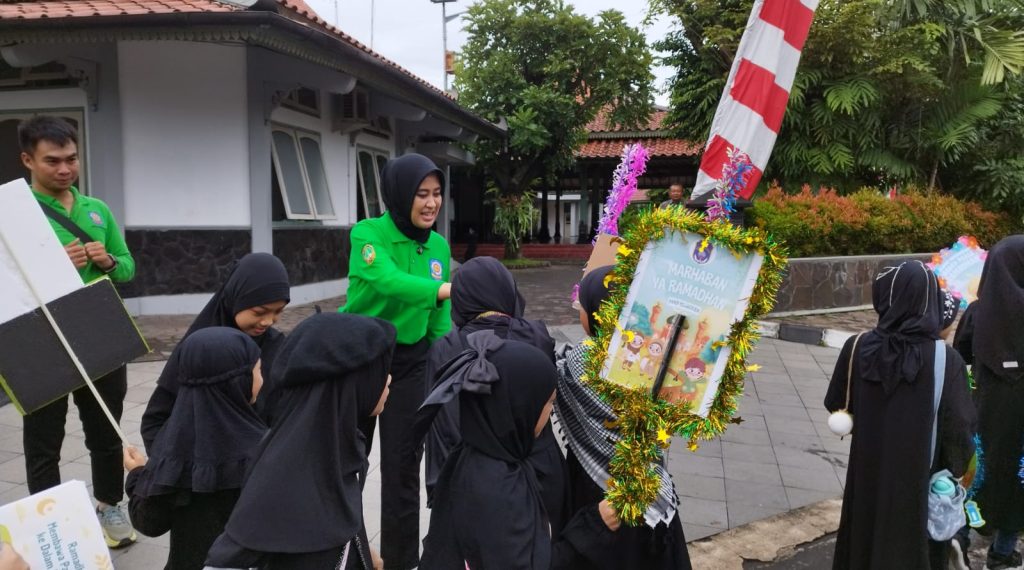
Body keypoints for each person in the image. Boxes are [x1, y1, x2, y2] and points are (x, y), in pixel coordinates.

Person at [18, 115, 138, 548]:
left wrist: (108, 261)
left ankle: (109, 505)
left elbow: (128, 267)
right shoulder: (12, 213)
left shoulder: (97, 209)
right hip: (39, 334)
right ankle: (50, 522)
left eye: (71, 159)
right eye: (53, 161)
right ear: (28, 160)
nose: (65, 169)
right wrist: (50, 265)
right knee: (43, 439)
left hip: (99, 328)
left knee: (106, 428)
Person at [204, 313, 394, 570]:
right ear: (352, 385)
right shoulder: (286, 474)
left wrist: (361, 556)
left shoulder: (340, 445)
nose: (389, 379)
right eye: (381, 371)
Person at [419, 334, 622, 569]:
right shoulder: (499, 488)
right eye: (548, 402)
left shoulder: (474, 452)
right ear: (519, 408)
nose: (550, 411)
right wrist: (595, 525)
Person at [340, 153, 452, 570]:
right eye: (421, 194)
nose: (431, 203)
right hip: (361, 358)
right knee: (347, 463)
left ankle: (400, 562)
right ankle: (344, 555)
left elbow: (439, 323)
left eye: (437, 193)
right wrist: (442, 290)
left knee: (404, 468)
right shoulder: (368, 234)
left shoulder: (438, 246)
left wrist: (449, 365)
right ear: (400, 194)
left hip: (410, 362)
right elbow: (388, 281)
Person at [825, 261, 976, 569]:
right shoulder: (946, 359)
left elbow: (837, 404)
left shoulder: (857, 346)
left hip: (867, 473)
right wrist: (956, 469)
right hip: (919, 480)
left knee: (862, 540)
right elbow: (960, 427)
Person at [555, 266, 693, 569]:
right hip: (649, 480)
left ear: (597, 312)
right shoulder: (652, 354)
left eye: (582, 304)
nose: (579, 309)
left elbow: (552, 372)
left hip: (599, 486)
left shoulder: (583, 359)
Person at [420, 256, 568, 531]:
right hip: (541, 470)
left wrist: (440, 487)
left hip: (475, 478)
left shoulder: (447, 347)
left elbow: (442, 424)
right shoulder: (537, 336)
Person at [123, 327, 267, 570]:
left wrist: (137, 474)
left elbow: (149, 522)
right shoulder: (269, 445)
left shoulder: (172, 445)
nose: (263, 379)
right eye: (258, 370)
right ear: (239, 380)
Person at [141, 252, 290, 449]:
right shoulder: (200, 348)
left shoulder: (277, 347)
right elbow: (156, 422)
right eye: (259, 312)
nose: (268, 321)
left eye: (278, 311)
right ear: (236, 298)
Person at [966, 235, 1024, 570]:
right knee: (1018, 482)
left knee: (978, 474)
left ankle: (960, 540)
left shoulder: (979, 311)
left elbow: (960, 352)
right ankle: (1002, 553)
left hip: (986, 407)